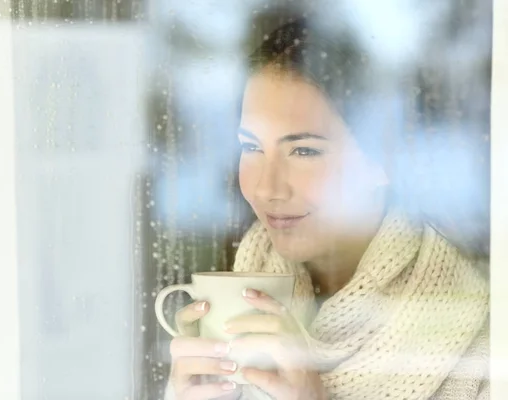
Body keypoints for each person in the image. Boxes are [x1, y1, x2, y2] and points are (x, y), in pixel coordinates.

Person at [165, 15, 489, 400]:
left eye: (304, 150)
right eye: (251, 147)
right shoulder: (240, 295)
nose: (268, 187)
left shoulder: (479, 333)